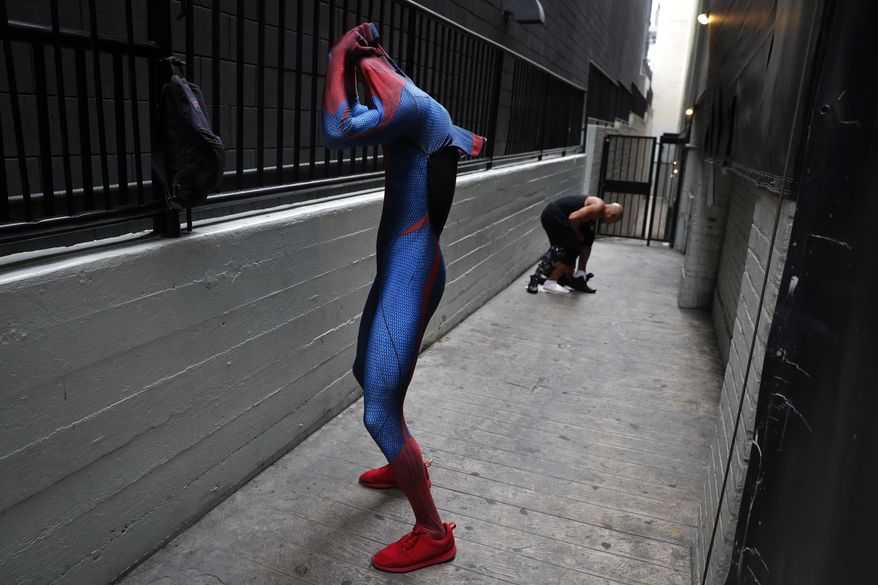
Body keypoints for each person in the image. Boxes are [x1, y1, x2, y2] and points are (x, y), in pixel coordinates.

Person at [322, 23, 484, 573]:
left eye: (367, 81)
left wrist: (337, 55)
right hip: (407, 267)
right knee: (367, 376)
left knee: (378, 411)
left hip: (410, 272)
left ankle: (434, 532)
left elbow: (337, 128)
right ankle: (402, 464)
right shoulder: (414, 107)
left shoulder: (411, 106)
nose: (367, 96)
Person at [526, 195, 623, 294]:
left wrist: (571, 266)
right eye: (613, 222)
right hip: (553, 215)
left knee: (588, 236)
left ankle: (579, 275)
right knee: (573, 247)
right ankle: (551, 282)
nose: (610, 224)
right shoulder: (598, 207)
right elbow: (573, 218)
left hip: (562, 217)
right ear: (612, 215)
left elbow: (578, 223)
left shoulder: (598, 212)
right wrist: (577, 234)